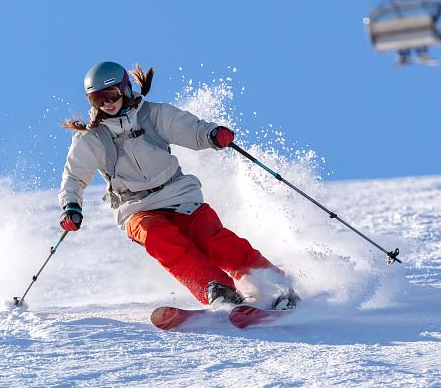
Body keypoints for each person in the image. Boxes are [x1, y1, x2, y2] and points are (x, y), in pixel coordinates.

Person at [59, 61, 299, 309]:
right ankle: (216, 288)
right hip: (135, 208)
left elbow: (190, 129)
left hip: (179, 195)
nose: (106, 104)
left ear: (125, 89)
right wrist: (71, 206)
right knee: (160, 239)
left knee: (213, 239)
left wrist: (212, 134)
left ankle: (274, 285)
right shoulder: (91, 138)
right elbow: (74, 177)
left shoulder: (153, 115)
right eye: (97, 99)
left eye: (110, 95)